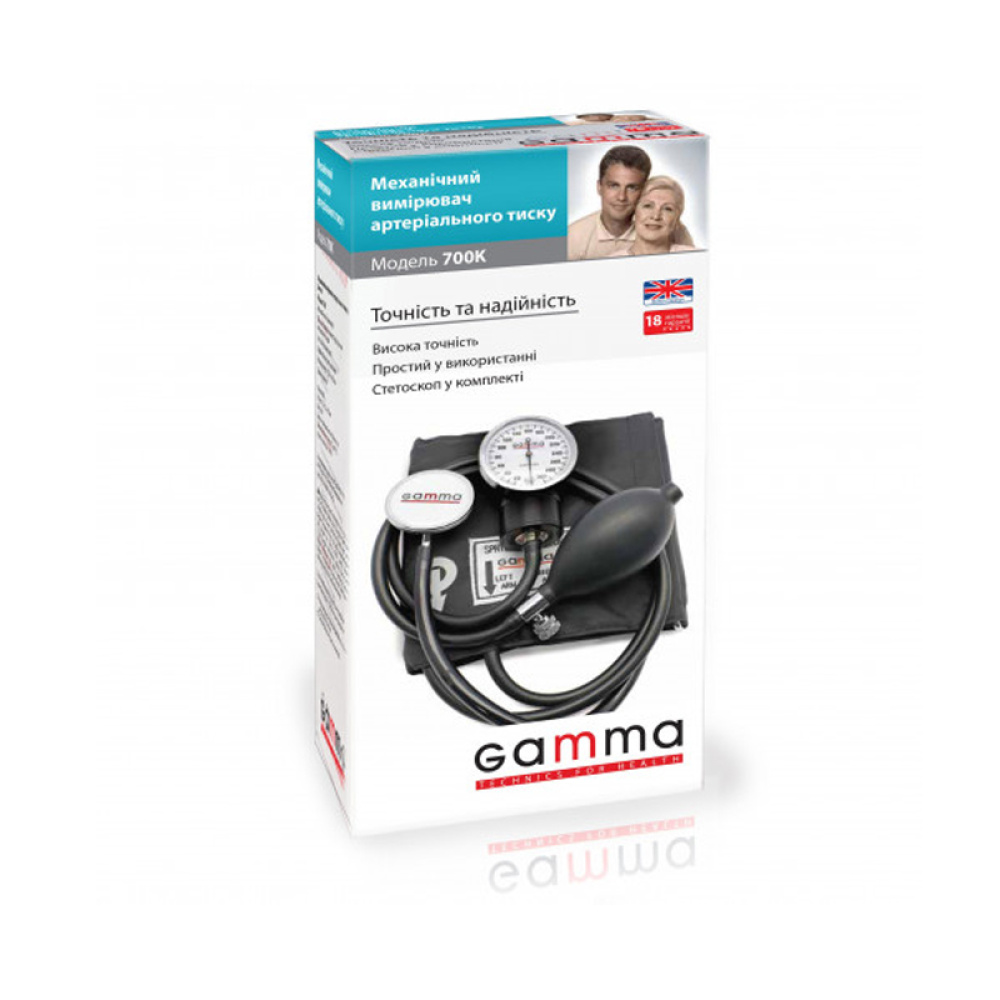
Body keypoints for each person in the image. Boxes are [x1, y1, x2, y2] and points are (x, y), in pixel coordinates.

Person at [567, 146, 651, 260]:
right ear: (599, 187)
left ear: (644, 191)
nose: (621, 197)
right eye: (614, 186)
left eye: (632, 188)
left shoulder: (662, 233)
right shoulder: (573, 237)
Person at [623, 175, 695, 256]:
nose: (656, 216)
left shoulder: (694, 257)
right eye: (648, 206)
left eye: (667, 209)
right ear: (634, 212)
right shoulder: (614, 259)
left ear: (677, 219)